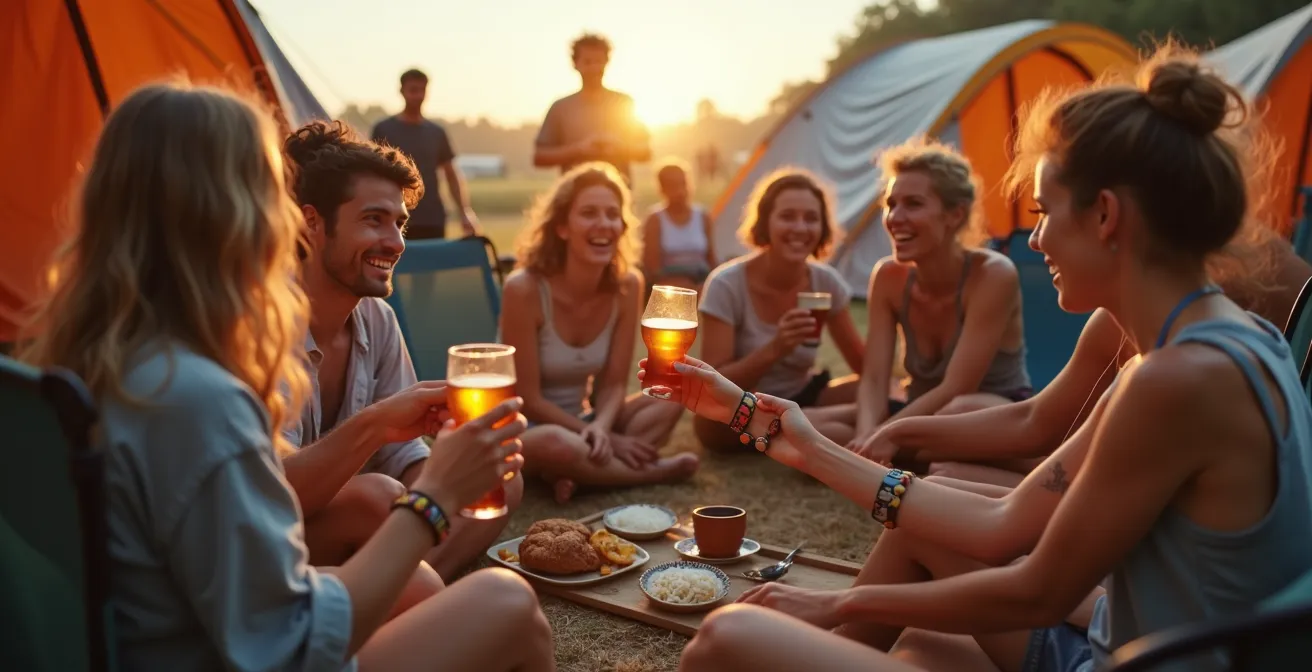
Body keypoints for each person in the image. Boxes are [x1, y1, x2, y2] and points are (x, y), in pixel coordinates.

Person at [641, 45, 1312, 672]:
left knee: (725, 636)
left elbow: (1033, 594)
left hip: (1115, 655)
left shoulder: (1176, 380)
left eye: (1045, 211)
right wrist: (797, 437)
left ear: (1105, 216)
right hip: (1117, 628)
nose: (1038, 238)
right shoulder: (1219, 340)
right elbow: (1003, 523)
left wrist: (844, 599)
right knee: (923, 551)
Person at [18, 82, 554, 671]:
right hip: (233, 652)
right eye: (268, 190)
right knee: (506, 601)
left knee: (422, 590)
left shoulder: (94, 361)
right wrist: (434, 501)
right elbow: (291, 644)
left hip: (166, 632)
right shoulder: (197, 395)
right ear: (229, 209)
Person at [280, 119, 523, 579]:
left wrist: (446, 477)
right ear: (312, 223)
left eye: (400, 223)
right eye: (373, 220)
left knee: (498, 480)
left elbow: (405, 456)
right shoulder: (265, 329)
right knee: (375, 499)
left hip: (362, 529)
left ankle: (406, 589)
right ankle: (407, 592)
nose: (394, 243)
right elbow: (269, 494)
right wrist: (377, 424)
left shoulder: (377, 319)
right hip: (275, 537)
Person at [810, 139, 1030, 462]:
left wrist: (882, 434)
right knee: (812, 426)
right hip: (919, 414)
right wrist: (865, 435)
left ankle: (901, 451)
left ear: (954, 215)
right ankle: (901, 453)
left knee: (959, 410)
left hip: (987, 409)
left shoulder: (993, 275)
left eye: (913, 204)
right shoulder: (888, 277)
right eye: (890, 203)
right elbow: (873, 379)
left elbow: (957, 387)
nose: (895, 217)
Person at [501, 162, 699, 503]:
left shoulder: (628, 284)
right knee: (556, 444)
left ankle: (576, 472)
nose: (603, 224)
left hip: (587, 421)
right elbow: (528, 400)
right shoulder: (524, 289)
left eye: (612, 214)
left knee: (675, 394)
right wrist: (605, 437)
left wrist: (601, 427)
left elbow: (612, 386)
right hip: (526, 428)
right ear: (562, 226)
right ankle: (648, 473)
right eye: (589, 213)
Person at [694, 169, 865, 449]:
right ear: (765, 222)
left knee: (872, 395)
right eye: (787, 216)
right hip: (737, 411)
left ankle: (805, 423)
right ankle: (809, 424)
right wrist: (776, 347)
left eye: (811, 218)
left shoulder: (825, 281)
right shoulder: (726, 284)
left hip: (800, 396)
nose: (800, 228)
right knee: (841, 432)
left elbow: (865, 368)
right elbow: (713, 388)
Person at [371, 68, 478, 240]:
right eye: (413, 90)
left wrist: (465, 212)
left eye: (422, 90)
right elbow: (371, 176)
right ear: (402, 92)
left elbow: (451, 174)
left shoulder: (436, 133)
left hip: (432, 218)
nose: (418, 96)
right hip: (393, 218)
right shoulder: (383, 129)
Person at [533, 33, 651, 183]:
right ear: (575, 64)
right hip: (574, 197)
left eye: (599, 61)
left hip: (618, 195)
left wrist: (619, 147)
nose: (594, 67)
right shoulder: (561, 108)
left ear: (607, 62)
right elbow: (539, 157)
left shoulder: (623, 103)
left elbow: (646, 152)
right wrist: (578, 149)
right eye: (588, 62)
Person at [642, 158, 717, 290]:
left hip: (702, 284)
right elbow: (652, 269)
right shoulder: (655, 220)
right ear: (662, 189)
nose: (680, 191)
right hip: (668, 288)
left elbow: (711, 259)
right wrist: (682, 287)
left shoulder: (703, 216)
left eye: (683, 184)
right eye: (673, 186)